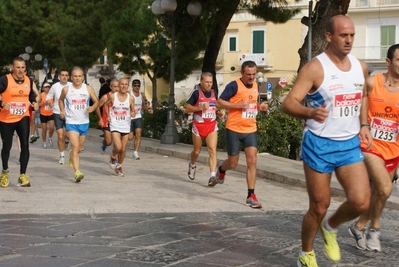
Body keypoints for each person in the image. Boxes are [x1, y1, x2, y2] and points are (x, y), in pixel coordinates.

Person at [281, 15, 371, 266]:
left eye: (352, 35)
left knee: (361, 201)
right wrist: (310, 112)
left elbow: (363, 96)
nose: (349, 40)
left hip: (349, 144)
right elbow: (288, 103)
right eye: (344, 35)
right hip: (319, 144)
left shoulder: (359, 66)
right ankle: (306, 254)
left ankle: (331, 227)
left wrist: (363, 124)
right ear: (329, 37)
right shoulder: (315, 68)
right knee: (319, 206)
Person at [348, 44, 399, 252]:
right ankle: (374, 230)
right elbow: (360, 103)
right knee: (385, 188)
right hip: (369, 144)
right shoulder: (371, 82)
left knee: (380, 192)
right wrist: (364, 125)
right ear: (388, 62)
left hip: (394, 148)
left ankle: (359, 226)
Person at [215, 60, 268, 208]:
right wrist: (238, 105)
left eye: (253, 74)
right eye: (248, 74)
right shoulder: (233, 85)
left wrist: (260, 106)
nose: (251, 77)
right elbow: (219, 103)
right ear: (242, 73)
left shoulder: (257, 85)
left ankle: (251, 195)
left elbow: (254, 103)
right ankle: (222, 168)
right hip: (234, 128)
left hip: (250, 129)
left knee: (252, 161)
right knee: (233, 163)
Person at [0, 57, 39, 187]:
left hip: (23, 115)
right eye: (18, 67)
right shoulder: (5, 80)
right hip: (6, 118)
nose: (20, 70)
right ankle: (5, 171)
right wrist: (1, 103)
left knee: (25, 145)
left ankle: (22, 175)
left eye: (23, 67)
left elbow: (31, 95)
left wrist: (34, 102)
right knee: (7, 147)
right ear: (12, 68)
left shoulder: (29, 80)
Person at [59, 67, 98, 182]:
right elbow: (60, 100)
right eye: (75, 76)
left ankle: (72, 155)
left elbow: (96, 102)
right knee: (75, 146)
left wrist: (92, 107)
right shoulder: (66, 89)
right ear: (71, 77)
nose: (77, 78)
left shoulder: (88, 89)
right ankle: (77, 172)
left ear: (83, 77)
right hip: (71, 122)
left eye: (79, 76)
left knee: (79, 149)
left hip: (84, 122)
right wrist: (62, 110)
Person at [184, 72, 218, 185]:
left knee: (212, 150)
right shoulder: (196, 93)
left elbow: (215, 106)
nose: (209, 84)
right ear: (201, 82)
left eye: (211, 82)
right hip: (198, 125)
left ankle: (212, 176)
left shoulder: (214, 93)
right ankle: (192, 164)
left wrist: (219, 113)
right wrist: (201, 107)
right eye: (207, 82)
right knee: (197, 151)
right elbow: (187, 108)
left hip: (211, 125)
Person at [105, 78, 135, 176]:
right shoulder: (113, 96)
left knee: (123, 148)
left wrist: (133, 112)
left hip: (126, 124)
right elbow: (105, 105)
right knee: (118, 146)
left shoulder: (130, 98)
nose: (124, 86)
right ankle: (113, 157)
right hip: (115, 124)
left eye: (126, 84)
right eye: (122, 84)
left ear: (128, 86)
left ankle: (119, 166)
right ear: (119, 86)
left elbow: (132, 109)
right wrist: (108, 115)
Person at [46, 69, 71, 164]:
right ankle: (62, 155)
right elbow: (48, 97)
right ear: (59, 76)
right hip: (57, 112)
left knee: (68, 135)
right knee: (60, 135)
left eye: (66, 75)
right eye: (62, 75)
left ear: (68, 77)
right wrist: (51, 104)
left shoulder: (71, 86)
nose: (64, 77)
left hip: (69, 113)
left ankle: (67, 141)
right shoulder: (55, 86)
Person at [95, 79, 120, 154]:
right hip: (107, 121)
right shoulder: (106, 97)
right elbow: (97, 107)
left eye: (118, 86)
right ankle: (104, 143)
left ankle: (114, 157)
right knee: (109, 141)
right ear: (110, 87)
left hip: (118, 121)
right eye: (114, 86)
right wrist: (100, 118)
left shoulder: (122, 96)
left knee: (117, 142)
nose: (116, 89)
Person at [129, 79, 149, 160]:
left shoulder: (142, 95)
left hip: (138, 117)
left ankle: (135, 152)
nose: (137, 87)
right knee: (130, 137)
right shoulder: (129, 94)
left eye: (138, 85)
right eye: (135, 85)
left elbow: (143, 106)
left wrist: (148, 109)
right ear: (132, 86)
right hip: (129, 117)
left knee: (138, 134)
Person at [39, 83, 54, 149]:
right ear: (43, 88)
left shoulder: (52, 95)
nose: (47, 89)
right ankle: (44, 142)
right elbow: (38, 104)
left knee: (52, 128)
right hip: (43, 113)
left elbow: (55, 103)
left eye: (48, 87)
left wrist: (51, 104)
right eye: (46, 87)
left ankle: (50, 138)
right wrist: (44, 102)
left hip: (51, 113)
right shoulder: (41, 95)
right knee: (44, 129)